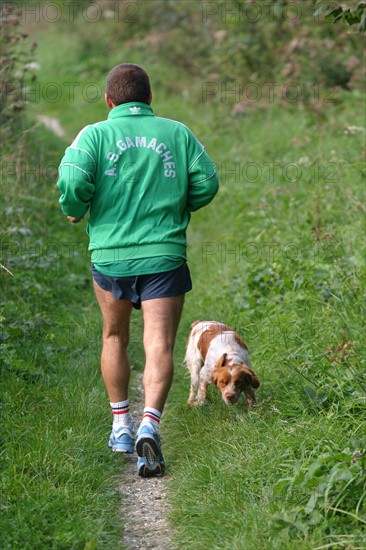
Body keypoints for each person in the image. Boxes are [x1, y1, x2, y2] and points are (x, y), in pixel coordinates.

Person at [57, 63, 218, 477]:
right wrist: (181, 205)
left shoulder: (92, 134)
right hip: (163, 255)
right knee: (158, 344)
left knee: (114, 335)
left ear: (109, 101)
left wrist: (76, 210)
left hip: (110, 256)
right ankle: (151, 422)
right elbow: (208, 181)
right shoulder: (177, 133)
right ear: (149, 99)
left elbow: (73, 180)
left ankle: (121, 426)